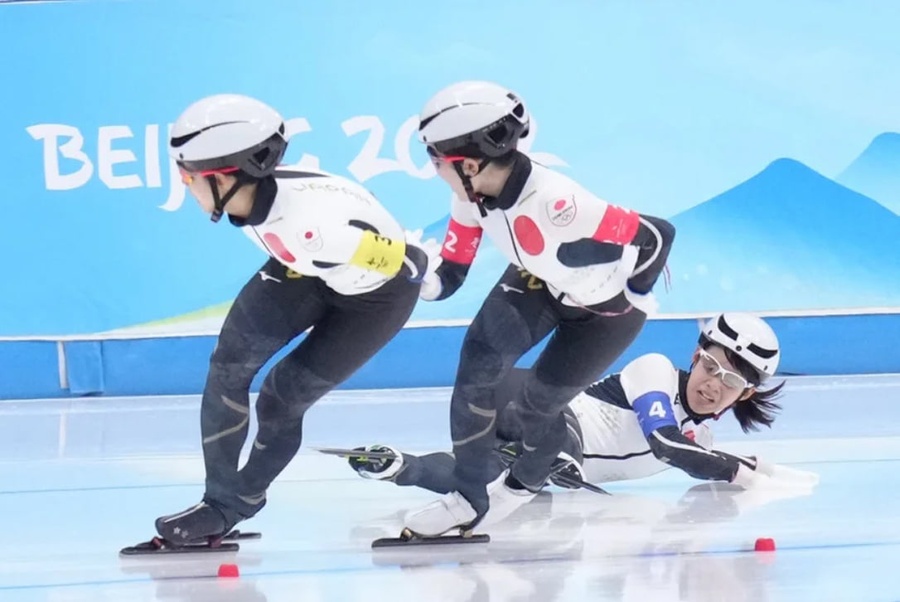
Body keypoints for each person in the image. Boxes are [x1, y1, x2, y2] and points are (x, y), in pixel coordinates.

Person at [152, 93, 431, 547]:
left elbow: (408, 261)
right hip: (306, 270)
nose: (184, 188)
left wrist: (427, 269)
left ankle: (243, 499)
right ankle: (219, 503)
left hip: (375, 301)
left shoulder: (310, 228)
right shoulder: (265, 199)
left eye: (188, 179)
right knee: (228, 366)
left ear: (225, 176)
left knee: (281, 399)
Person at [400, 80, 677, 537]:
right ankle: (468, 497)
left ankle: (521, 486)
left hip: (606, 315)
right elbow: (448, 277)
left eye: (433, 158)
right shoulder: (468, 196)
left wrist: (636, 292)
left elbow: (659, 233)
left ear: (468, 162)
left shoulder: (558, 204)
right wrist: (414, 277)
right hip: (542, 282)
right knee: (478, 363)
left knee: (536, 410)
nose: (431, 169)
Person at [348, 313, 818, 495]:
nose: (713, 384)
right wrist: (748, 477)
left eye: (731, 381)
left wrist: (771, 474)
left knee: (480, 481)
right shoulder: (653, 371)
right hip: (527, 401)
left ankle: (395, 466)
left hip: (537, 450)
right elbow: (666, 445)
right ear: (695, 357)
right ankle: (551, 455)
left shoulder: (704, 439)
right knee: (554, 444)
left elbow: (704, 455)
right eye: (711, 367)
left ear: (746, 395)